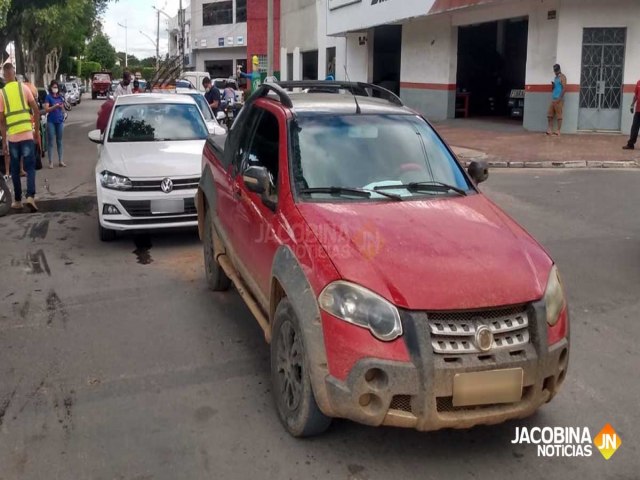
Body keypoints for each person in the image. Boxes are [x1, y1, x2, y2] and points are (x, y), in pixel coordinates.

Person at [0, 63, 42, 212]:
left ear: (5, 76)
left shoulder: (2, 93)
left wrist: (4, 142)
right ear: (14, 73)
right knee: (30, 167)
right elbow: (36, 111)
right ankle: (30, 196)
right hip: (26, 133)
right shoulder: (24, 88)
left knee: (15, 169)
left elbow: (2, 122)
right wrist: (36, 132)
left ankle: (17, 200)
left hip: (13, 138)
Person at [44, 80, 66, 168]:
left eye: (56, 87)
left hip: (59, 121)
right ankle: (50, 162)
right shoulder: (48, 97)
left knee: (59, 141)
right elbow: (46, 109)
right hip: (51, 121)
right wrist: (54, 106)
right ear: (51, 88)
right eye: (54, 87)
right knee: (51, 142)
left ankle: (61, 160)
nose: (55, 89)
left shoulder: (60, 97)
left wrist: (61, 108)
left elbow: (63, 109)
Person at [547, 64, 566, 136]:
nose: (555, 72)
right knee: (549, 115)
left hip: (559, 99)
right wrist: (553, 86)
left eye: (556, 70)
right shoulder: (555, 78)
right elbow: (555, 88)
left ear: (559, 70)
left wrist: (559, 98)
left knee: (559, 116)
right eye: (554, 71)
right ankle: (550, 130)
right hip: (553, 98)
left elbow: (564, 89)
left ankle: (558, 131)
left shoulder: (563, 77)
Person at [622, 78, 640, 150]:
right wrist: (632, 105)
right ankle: (630, 144)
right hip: (638, 110)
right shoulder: (638, 82)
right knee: (634, 128)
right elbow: (636, 95)